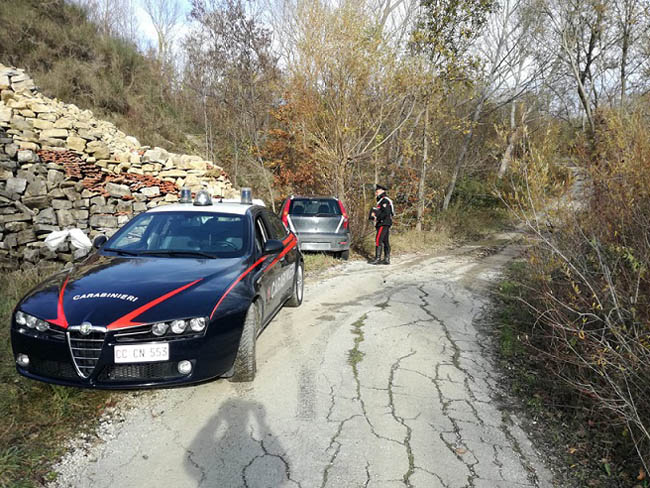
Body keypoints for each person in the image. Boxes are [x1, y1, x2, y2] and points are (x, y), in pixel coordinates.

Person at [368, 184, 394, 265]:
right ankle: (386, 259)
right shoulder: (380, 201)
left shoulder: (385, 200)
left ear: (382, 191)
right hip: (383, 223)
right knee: (385, 241)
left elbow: (386, 213)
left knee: (378, 239)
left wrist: (376, 217)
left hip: (384, 223)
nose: (376, 192)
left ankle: (378, 259)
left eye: (377, 191)